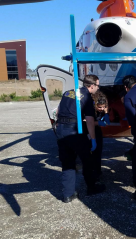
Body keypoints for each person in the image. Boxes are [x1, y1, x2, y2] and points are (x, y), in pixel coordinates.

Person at [55, 75, 106, 203]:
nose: (98, 88)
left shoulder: (67, 93)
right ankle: (92, 187)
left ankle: (68, 194)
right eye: (98, 86)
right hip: (74, 131)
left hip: (60, 129)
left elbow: (57, 112)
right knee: (87, 160)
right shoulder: (87, 97)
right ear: (92, 85)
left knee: (67, 162)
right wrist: (93, 139)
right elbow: (89, 120)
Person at [91, 90, 110, 180]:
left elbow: (108, 122)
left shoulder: (103, 110)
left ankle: (97, 172)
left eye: (104, 107)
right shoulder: (90, 109)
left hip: (97, 131)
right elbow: (85, 121)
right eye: (100, 107)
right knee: (91, 153)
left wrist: (106, 113)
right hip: (88, 131)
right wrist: (97, 122)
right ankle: (91, 172)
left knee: (98, 152)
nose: (101, 109)